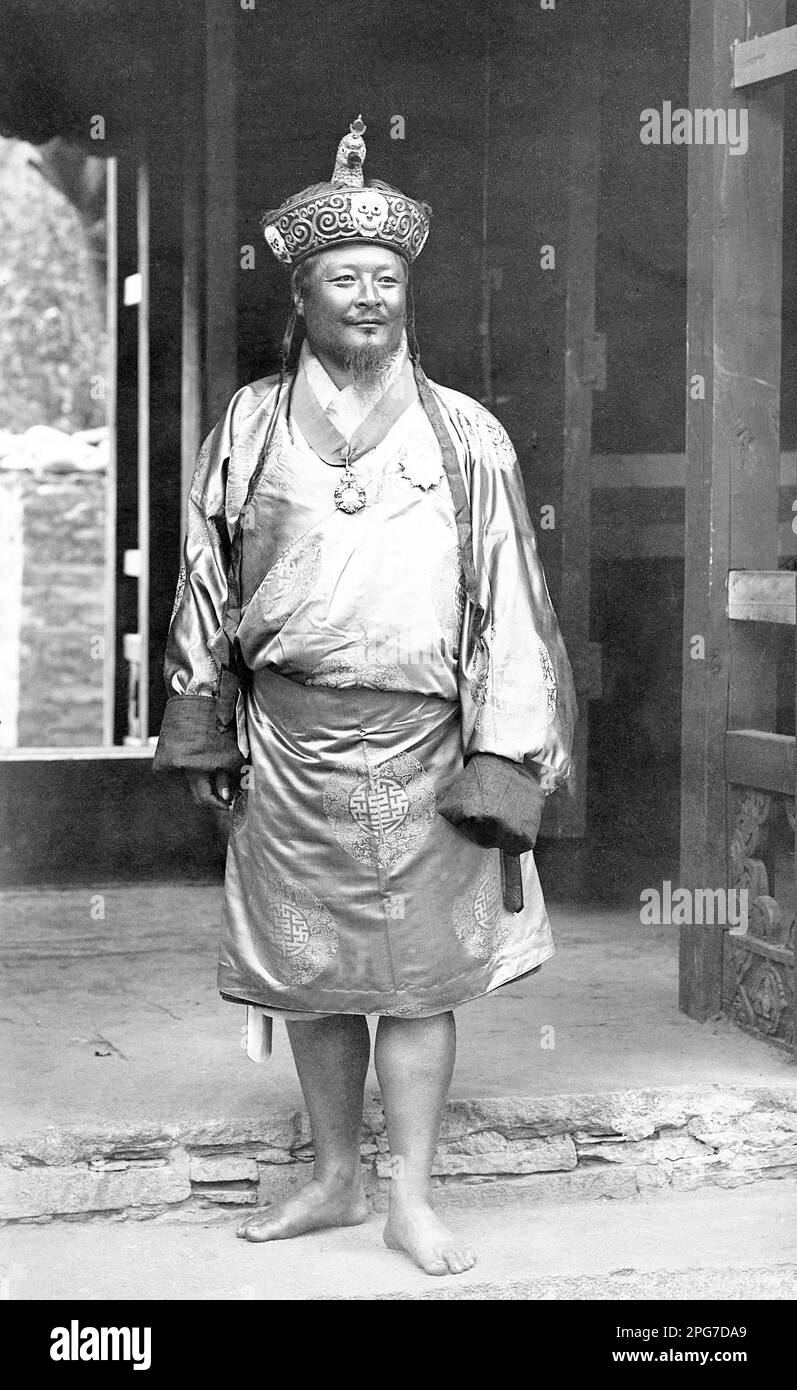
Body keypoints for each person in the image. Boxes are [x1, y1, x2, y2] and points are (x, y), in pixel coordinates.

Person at [153, 116, 577, 1277]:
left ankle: (410, 1197)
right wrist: (204, 725)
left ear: (407, 292)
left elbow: (512, 602)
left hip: (425, 747)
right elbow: (202, 575)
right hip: (289, 745)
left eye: (385, 278)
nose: (368, 296)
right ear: (301, 294)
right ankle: (334, 1177)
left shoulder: (465, 437)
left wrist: (503, 756)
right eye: (343, 277)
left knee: (419, 978)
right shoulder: (244, 425)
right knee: (311, 975)